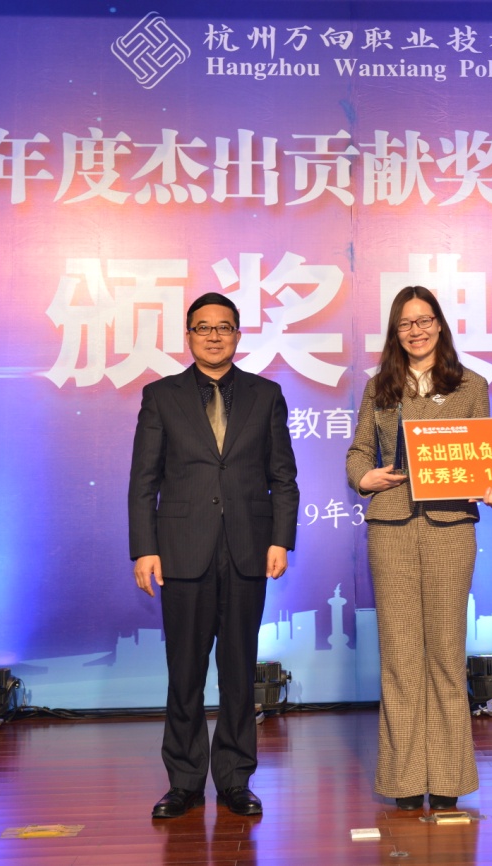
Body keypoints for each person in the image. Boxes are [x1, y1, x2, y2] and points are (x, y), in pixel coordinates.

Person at [128, 292, 300, 819]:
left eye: (223, 327)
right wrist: (145, 549)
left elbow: (283, 477)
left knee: (238, 671)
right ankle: (183, 782)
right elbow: (144, 480)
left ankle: (234, 779)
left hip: (248, 549)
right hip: (182, 550)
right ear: (188, 336)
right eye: (203, 327)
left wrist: (281, 539)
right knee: (184, 672)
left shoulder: (266, 395)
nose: (213, 336)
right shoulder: (161, 395)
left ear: (238, 335)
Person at [346, 285, 492, 812]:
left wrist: (490, 484)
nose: (415, 330)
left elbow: (484, 457)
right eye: (405, 323)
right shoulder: (380, 386)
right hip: (391, 526)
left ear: (439, 324)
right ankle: (403, 780)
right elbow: (358, 451)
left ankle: (447, 776)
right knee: (398, 657)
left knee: (444, 652)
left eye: (424, 320)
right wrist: (363, 477)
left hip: (450, 526)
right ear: (395, 332)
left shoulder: (470, 385)